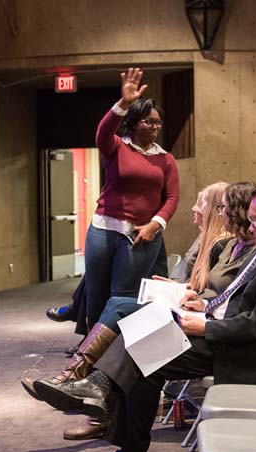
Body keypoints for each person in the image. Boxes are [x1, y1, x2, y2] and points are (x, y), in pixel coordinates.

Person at [34, 182, 256, 452]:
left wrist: (206, 325)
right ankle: (102, 394)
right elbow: (238, 301)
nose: (251, 225)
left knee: (142, 358)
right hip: (225, 334)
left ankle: (126, 443)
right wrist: (205, 306)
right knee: (138, 332)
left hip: (240, 352)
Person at [84, 67, 179, 329]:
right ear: (134, 122)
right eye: (148, 121)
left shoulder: (165, 159)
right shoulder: (116, 146)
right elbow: (102, 132)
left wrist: (155, 224)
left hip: (141, 234)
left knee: (123, 296)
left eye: (158, 123)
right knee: (96, 293)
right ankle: (89, 348)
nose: (154, 127)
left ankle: (114, 350)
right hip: (104, 229)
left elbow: (171, 197)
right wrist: (123, 103)